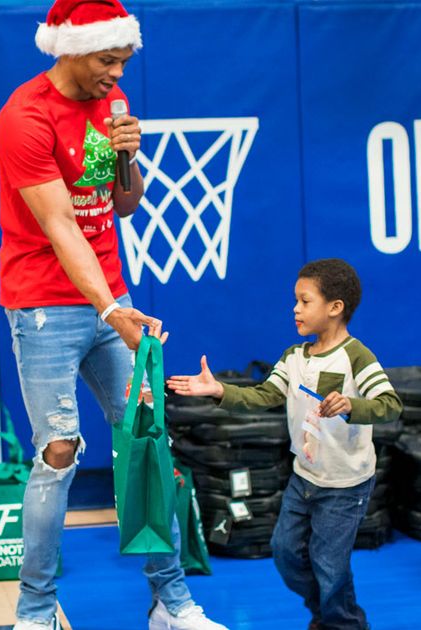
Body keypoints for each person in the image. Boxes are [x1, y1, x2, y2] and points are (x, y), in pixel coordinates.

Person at [0, 1, 228, 629]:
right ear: (70, 50)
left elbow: (122, 205)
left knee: (148, 441)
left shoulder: (110, 104)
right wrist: (111, 306)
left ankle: (171, 605)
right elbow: (60, 224)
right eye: (107, 59)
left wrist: (128, 158)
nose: (118, 72)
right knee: (58, 451)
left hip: (109, 300)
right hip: (45, 305)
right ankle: (35, 613)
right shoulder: (24, 117)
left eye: (123, 60)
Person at [168, 259, 402, 630]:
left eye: (305, 301)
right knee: (285, 553)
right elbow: (263, 395)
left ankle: (343, 624)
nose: (295, 308)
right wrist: (218, 390)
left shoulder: (357, 357)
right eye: (296, 300)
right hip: (303, 478)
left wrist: (351, 405)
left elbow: (390, 405)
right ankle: (328, 615)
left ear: (335, 307)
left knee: (329, 563)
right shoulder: (293, 357)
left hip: (345, 486)